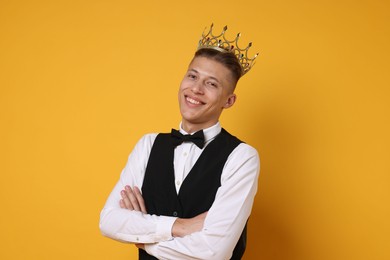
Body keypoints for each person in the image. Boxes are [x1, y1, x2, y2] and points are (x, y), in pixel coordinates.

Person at [99, 24, 260, 260]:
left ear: (229, 100)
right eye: (192, 76)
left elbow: (214, 253)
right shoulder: (148, 144)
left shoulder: (242, 157)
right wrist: (181, 226)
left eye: (211, 83)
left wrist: (144, 240)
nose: (195, 89)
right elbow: (109, 221)